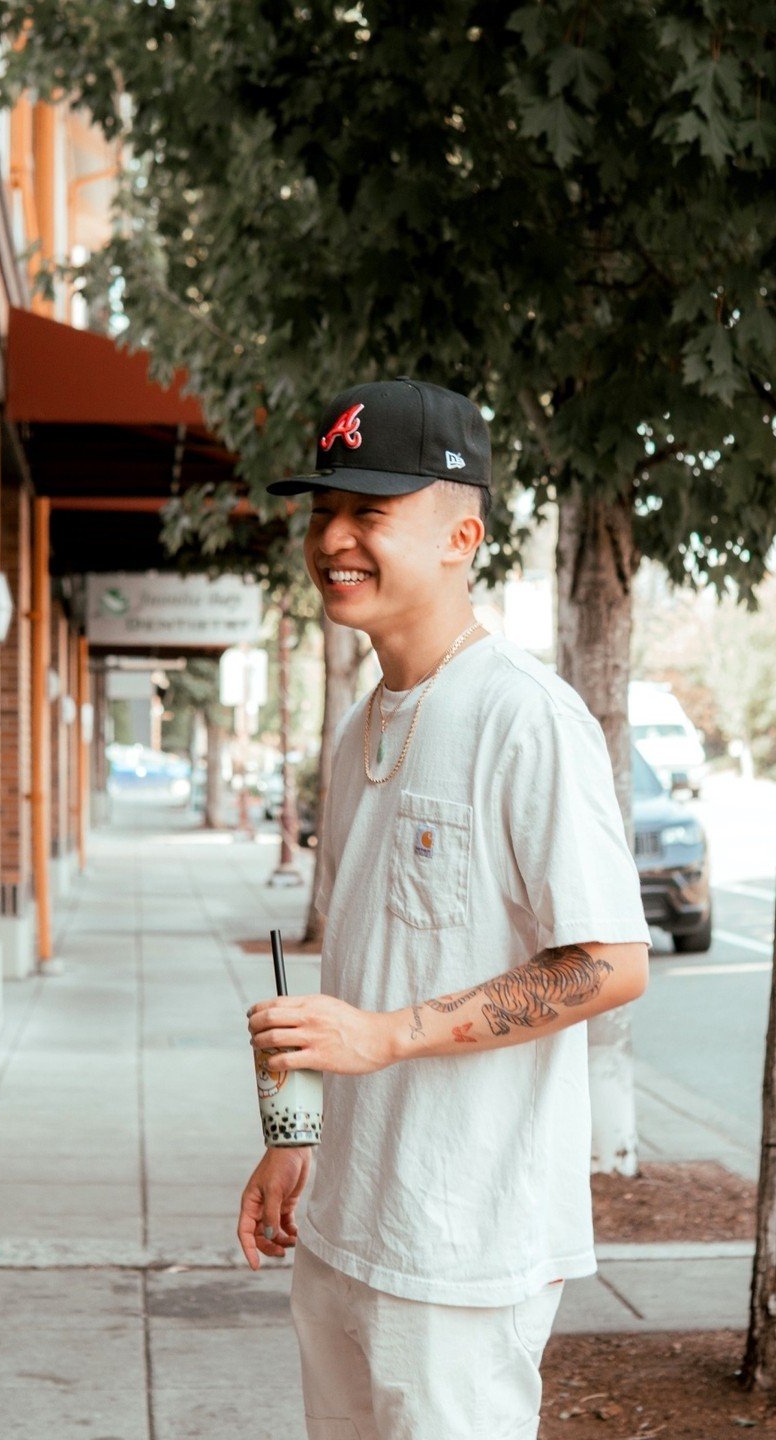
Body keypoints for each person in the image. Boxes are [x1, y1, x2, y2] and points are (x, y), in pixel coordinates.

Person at [238, 378, 651, 1440]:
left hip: (463, 1249)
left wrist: (387, 1037)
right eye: (323, 509)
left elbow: (610, 962)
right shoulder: (358, 726)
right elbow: (366, 967)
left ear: (461, 534)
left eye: (369, 513)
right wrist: (297, 1136)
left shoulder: (525, 716)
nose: (333, 536)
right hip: (343, 1223)